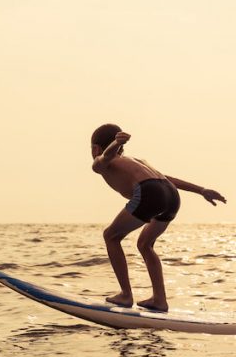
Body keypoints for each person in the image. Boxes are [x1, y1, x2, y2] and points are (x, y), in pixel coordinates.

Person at [91, 123, 226, 311]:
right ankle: (159, 299)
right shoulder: (138, 161)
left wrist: (113, 144)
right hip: (170, 194)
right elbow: (167, 178)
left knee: (111, 236)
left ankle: (125, 295)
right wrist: (201, 190)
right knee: (145, 244)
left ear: (95, 148)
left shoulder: (99, 162)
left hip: (150, 193)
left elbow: (106, 156)